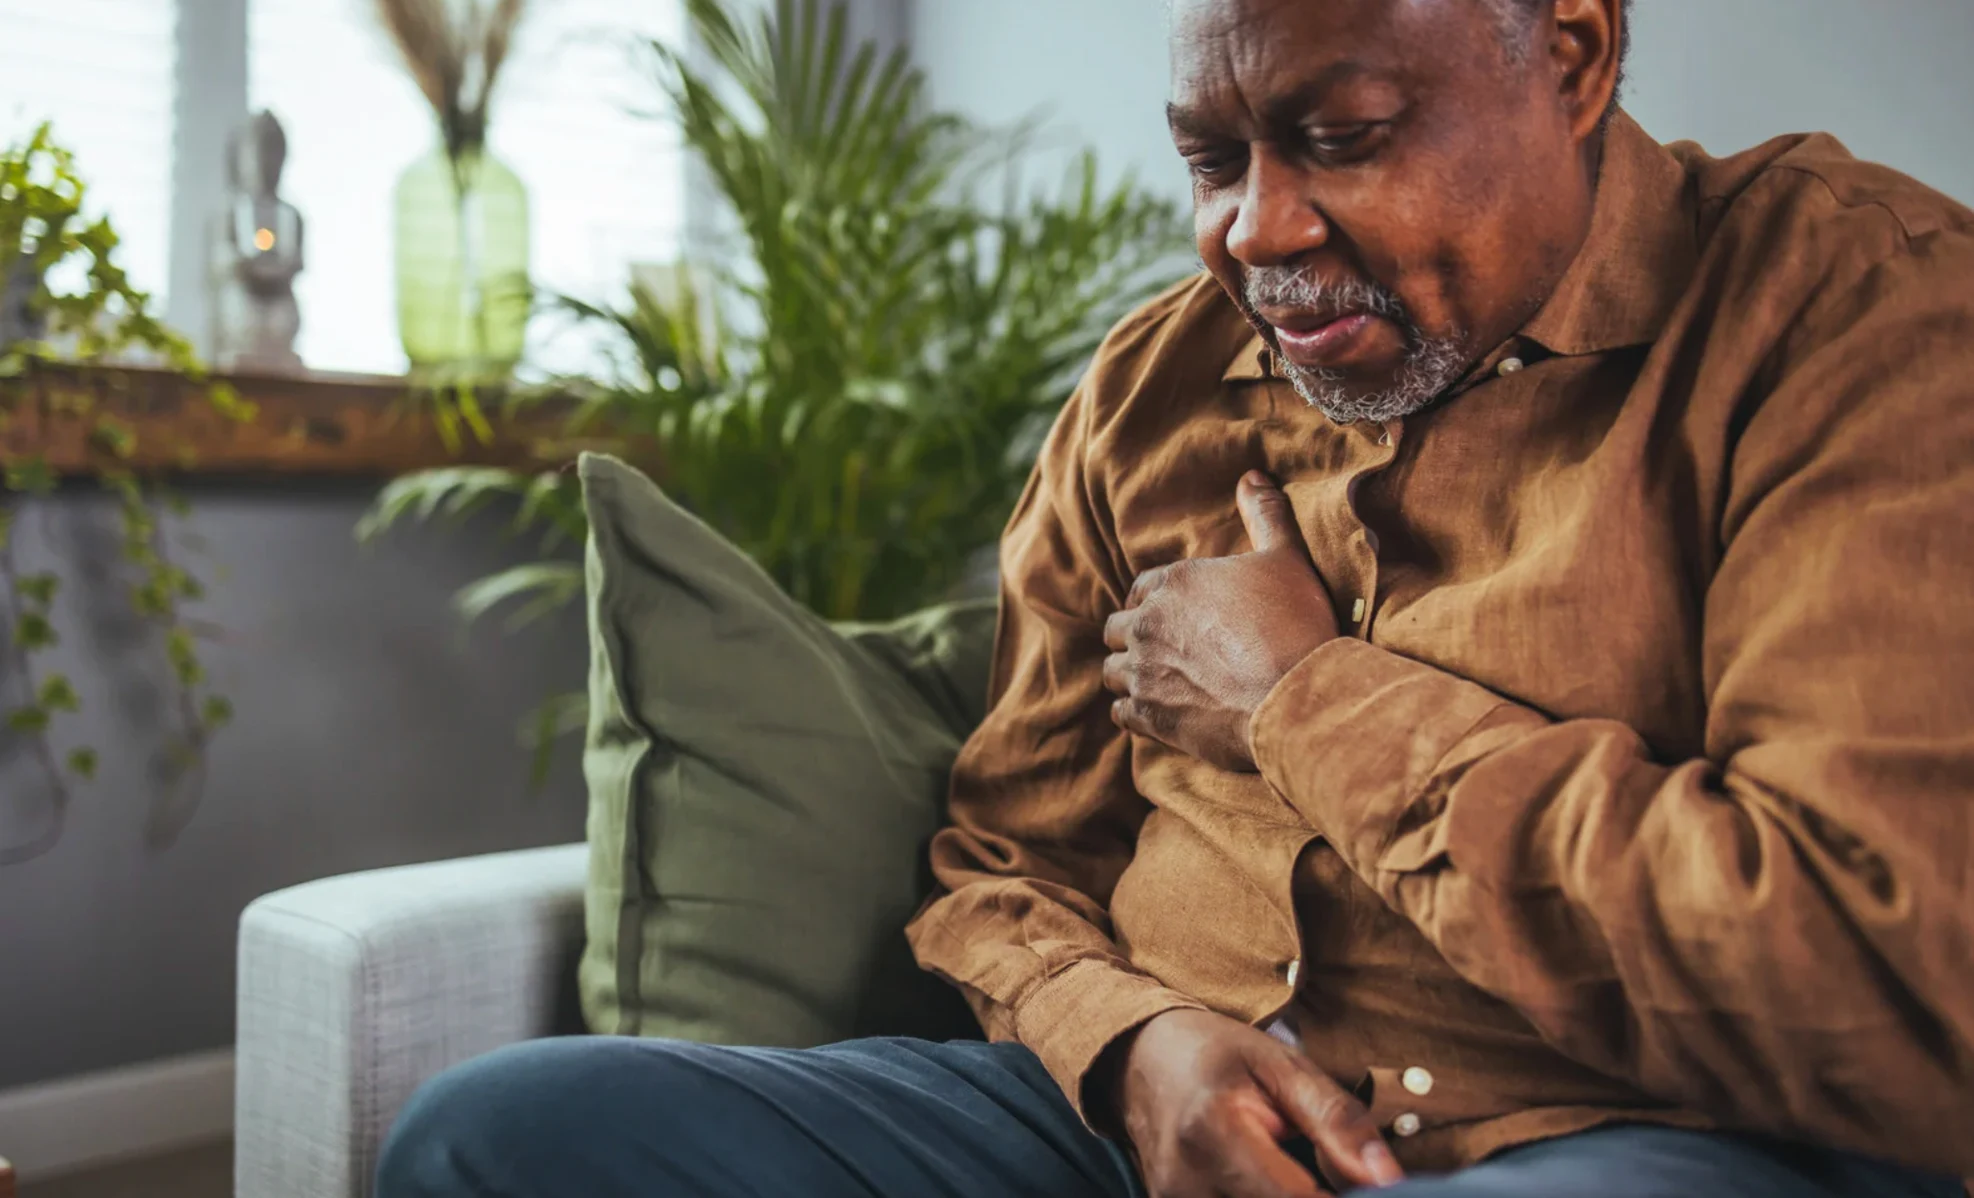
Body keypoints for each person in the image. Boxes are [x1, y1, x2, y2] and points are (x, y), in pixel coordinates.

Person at [377, 0, 1974, 1195]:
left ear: (1569, 56)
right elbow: (1003, 861)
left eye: (1342, 136)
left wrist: (1302, 700)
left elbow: (1874, 975)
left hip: (1604, 1133)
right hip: (1132, 1121)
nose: (1255, 232)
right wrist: (1131, 1044)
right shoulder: (1151, 387)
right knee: (494, 1137)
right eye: (1213, 158)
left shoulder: (1853, 313)